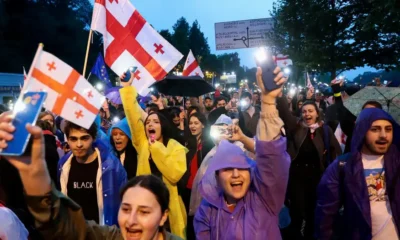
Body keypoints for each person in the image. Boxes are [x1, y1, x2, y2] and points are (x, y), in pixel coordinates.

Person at [0, 120, 183, 239]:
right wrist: (33, 171)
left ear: (163, 216)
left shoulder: (112, 166)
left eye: (144, 212)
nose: (131, 220)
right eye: (125, 209)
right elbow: (61, 225)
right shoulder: (112, 237)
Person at [194, 67, 291, 239]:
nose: (236, 174)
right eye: (228, 169)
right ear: (216, 176)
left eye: (241, 168)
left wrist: (268, 102)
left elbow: (272, 159)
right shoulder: (206, 211)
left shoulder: (264, 199)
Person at [316, 108, 400, 240]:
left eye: (388, 129)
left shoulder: (397, 162)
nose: (383, 135)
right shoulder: (343, 166)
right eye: (375, 129)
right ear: (362, 130)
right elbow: (325, 214)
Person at [120, 79, 187, 238]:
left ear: (163, 126)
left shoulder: (175, 147)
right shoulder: (142, 144)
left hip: (169, 212)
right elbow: (133, 116)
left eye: (156, 121)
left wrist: (156, 148)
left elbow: (174, 173)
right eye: (148, 122)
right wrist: (128, 89)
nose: (150, 124)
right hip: (144, 207)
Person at [276, 95, 342, 239]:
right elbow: (284, 113)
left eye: (310, 111)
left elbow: (336, 151)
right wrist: (280, 96)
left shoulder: (325, 130)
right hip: (296, 178)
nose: (307, 114)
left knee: (314, 211)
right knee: (297, 212)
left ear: (317, 113)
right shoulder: (296, 128)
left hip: (317, 177)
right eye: (304, 111)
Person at [58, 121, 127, 225]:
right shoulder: (63, 165)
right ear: (67, 139)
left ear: (93, 138)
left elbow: (125, 202)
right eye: (73, 139)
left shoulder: (112, 166)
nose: (79, 144)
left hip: (102, 232)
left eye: (84, 138)